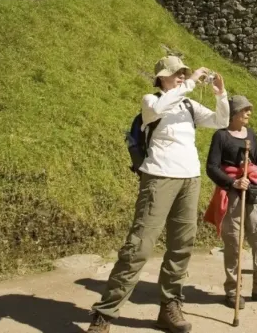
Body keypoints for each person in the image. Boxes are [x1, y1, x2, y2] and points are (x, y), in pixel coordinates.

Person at [86, 56, 230, 333]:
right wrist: (188, 83)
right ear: (161, 78)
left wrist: (220, 94)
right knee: (139, 246)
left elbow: (220, 122)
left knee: (182, 245)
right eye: (175, 74)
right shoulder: (151, 101)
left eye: (183, 73)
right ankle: (104, 314)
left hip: (190, 178)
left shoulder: (188, 104)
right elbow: (158, 110)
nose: (180, 77)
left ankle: (169, 307)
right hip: (159, 177)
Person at [204, 96, 257, 311]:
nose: (249, 113)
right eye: (245, 110)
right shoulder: (220, 136)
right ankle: (233, 291)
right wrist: (233, 182)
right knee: (233, 244)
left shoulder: (251, 135)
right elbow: (212, 167)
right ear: (234, 114)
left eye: (249, 110)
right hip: (232, 196)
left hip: (255, 194)